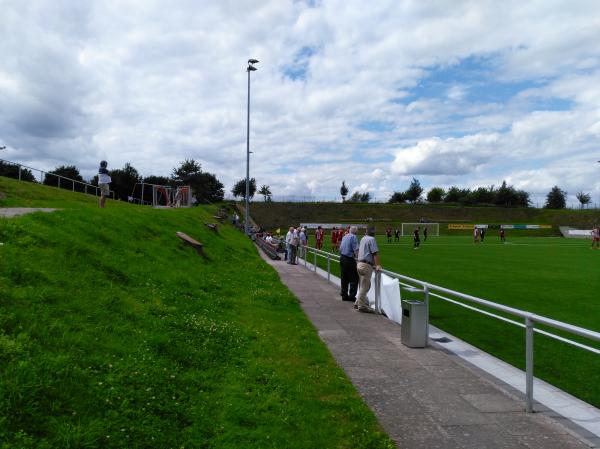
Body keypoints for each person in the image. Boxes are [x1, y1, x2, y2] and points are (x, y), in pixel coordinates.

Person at [356, 225, 381, 313]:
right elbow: (375, 253)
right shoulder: (371, 239)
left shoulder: (363, 238)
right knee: (365, 286)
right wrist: (377, 265)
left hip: (359, 263)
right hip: (366, 265)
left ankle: (357, 302)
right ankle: (361, 305)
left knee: (364, 285)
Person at [338, 226, 359, 303]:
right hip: (349, 259)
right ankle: (352, 296)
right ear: (355, 231)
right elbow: (356, 249)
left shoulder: (345, 236)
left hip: (342, 258)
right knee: (354, 278)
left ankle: (344, 295)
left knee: (344, 278)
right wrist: (359, 259)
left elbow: (340, 249)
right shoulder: (353, 237)